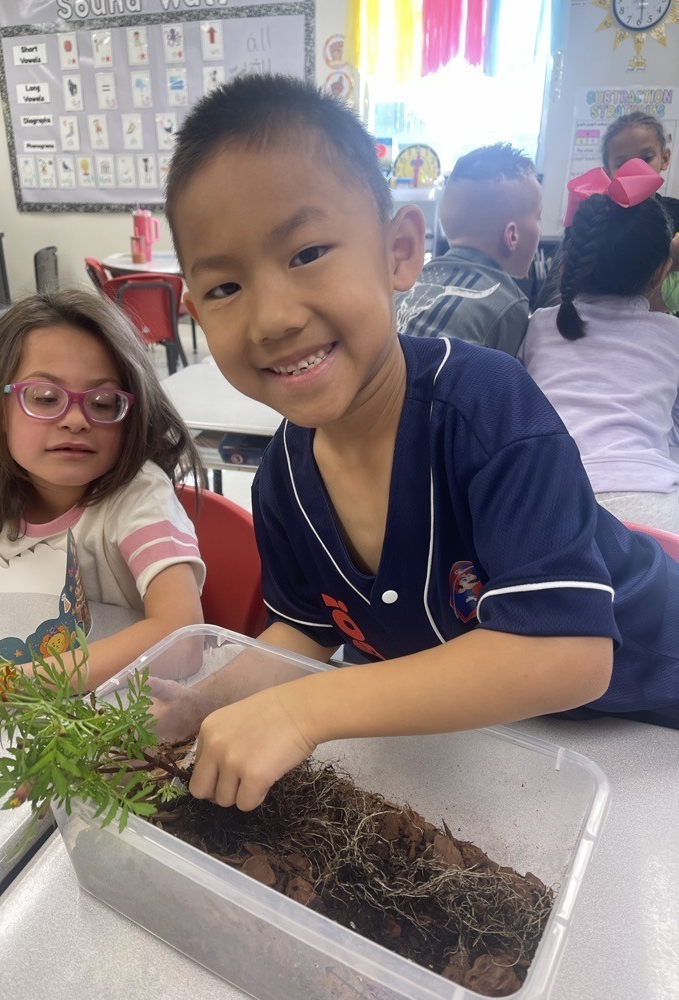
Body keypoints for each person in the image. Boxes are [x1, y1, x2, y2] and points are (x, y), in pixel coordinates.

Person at [158, 74, 679, 813]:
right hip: (519, 751)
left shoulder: (488, 408)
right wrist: (194, 707)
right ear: (195, 314)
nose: (271, 318)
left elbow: (572, 655)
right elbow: (304, 631)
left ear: (401, 251)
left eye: (307, 252)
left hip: (647, 722)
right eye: (224, 288)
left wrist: (305, 711)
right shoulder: (283, 479)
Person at [0, 290, 205, 743]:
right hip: (7, 709)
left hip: (112, 717)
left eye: (102, 403)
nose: (76, 420)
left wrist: (5, 683)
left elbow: (185, 642)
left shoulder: (138, 498)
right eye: (43, 396)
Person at [520, 162, 679, 532]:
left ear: (569, 262)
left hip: (546, 498)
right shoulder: (672, 334)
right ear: (661, 272)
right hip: (650, 505)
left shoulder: (540, 326)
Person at [395, 143, 540, 356]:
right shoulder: (510, 304)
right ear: (512, 236)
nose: (540, 228)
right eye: (538, 217)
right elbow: (507, 381)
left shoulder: (411, 279)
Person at [537, 111, 679, 312]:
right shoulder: (592, 215)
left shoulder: (676, 214)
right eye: (622, 163)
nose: (636, 170)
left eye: (646, 158)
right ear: (607, 169)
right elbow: (553, 297)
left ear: (665, 158)